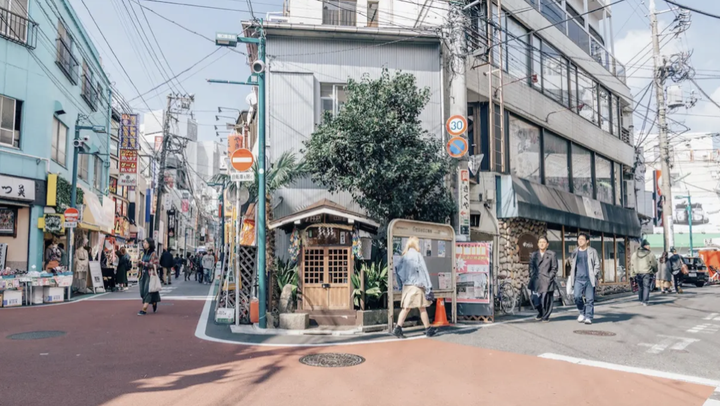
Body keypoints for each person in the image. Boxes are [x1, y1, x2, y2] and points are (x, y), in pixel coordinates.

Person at [393, 236, 437, 339]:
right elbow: (424, 271)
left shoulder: (404, 256)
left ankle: (398, 328)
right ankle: (428, 329)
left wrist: (400, 285)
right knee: (421, 307)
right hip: (417, 286)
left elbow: (397, 270)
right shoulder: (417, 255)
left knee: (407, 308)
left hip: (407, 286)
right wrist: (428, 286)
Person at [566, 233, 601, 325]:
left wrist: (594, 274)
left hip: (589, 279)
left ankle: (588, 317)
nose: (580, 241)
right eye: (579, 239)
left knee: (590, 299)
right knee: (577, 297)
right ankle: (582, 312)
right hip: (578, 279)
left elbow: (597, 264)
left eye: (582, 239)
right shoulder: (575, 251)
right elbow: (572, 263)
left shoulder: (592, 251)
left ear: (587, 241)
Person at [528, 236, 558, 322]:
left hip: (547, 280)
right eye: (540, 242)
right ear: (538, 244)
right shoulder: (534, 255)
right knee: (535, 299)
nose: (542, 244)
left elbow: (554, 268)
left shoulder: (552, 254)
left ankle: (546, 316)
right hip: (536, 280)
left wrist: (549, 277)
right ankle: (541, 312)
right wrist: (532, 275)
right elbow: (531, 266)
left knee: (546, 300)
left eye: (544, 242)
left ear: (547, 244)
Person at [630, 239, 658, 306]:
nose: (649, 246)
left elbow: (632, 265)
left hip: (638, 272)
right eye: (648, 245)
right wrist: (655, 270)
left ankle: (641, 300)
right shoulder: (650, 254)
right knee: (646, 286)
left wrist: (632, 274)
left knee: (640, 287)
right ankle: (645, 301)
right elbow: (654, 264)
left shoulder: (635, 254)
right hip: (647, 272)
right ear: (645, 246)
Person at [138, 238, 161, 315]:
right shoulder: (142, 253)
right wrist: (138, 263)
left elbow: (156, 265)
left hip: (150, 274)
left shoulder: (153, 254)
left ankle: (144, 309)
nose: (144, 244)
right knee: (142, 292)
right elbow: (139, 264)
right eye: (144, 242)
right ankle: (154, 301)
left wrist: (143, 263)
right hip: (142, 274)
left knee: (147, 291)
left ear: (150, 244)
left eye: (146, 243)